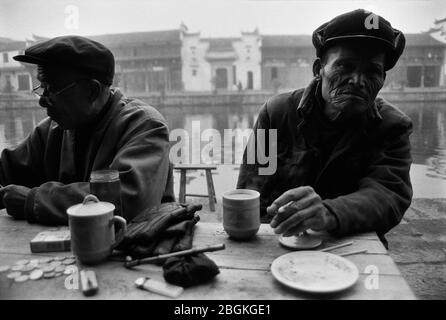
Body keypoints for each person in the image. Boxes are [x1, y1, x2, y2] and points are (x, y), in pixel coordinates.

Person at [237, 9, 412, 244]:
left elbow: (388, 195)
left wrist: (329, 213)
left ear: (382, 79)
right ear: (319, 69)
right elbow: (252, 187)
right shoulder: (276, 113)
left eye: (372, 71)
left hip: (353, 244)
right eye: (345, 66)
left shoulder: (393, 127)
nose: (358, 81)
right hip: (282, 242)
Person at [0, 36, 174, 225]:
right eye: (42, 87)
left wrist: (33, 201)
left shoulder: (145, 126)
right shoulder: (51, 129)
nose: (42, 100)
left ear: (92, 91)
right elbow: (6, 169)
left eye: (53, 88)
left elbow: (130, 200)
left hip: (137, 247)